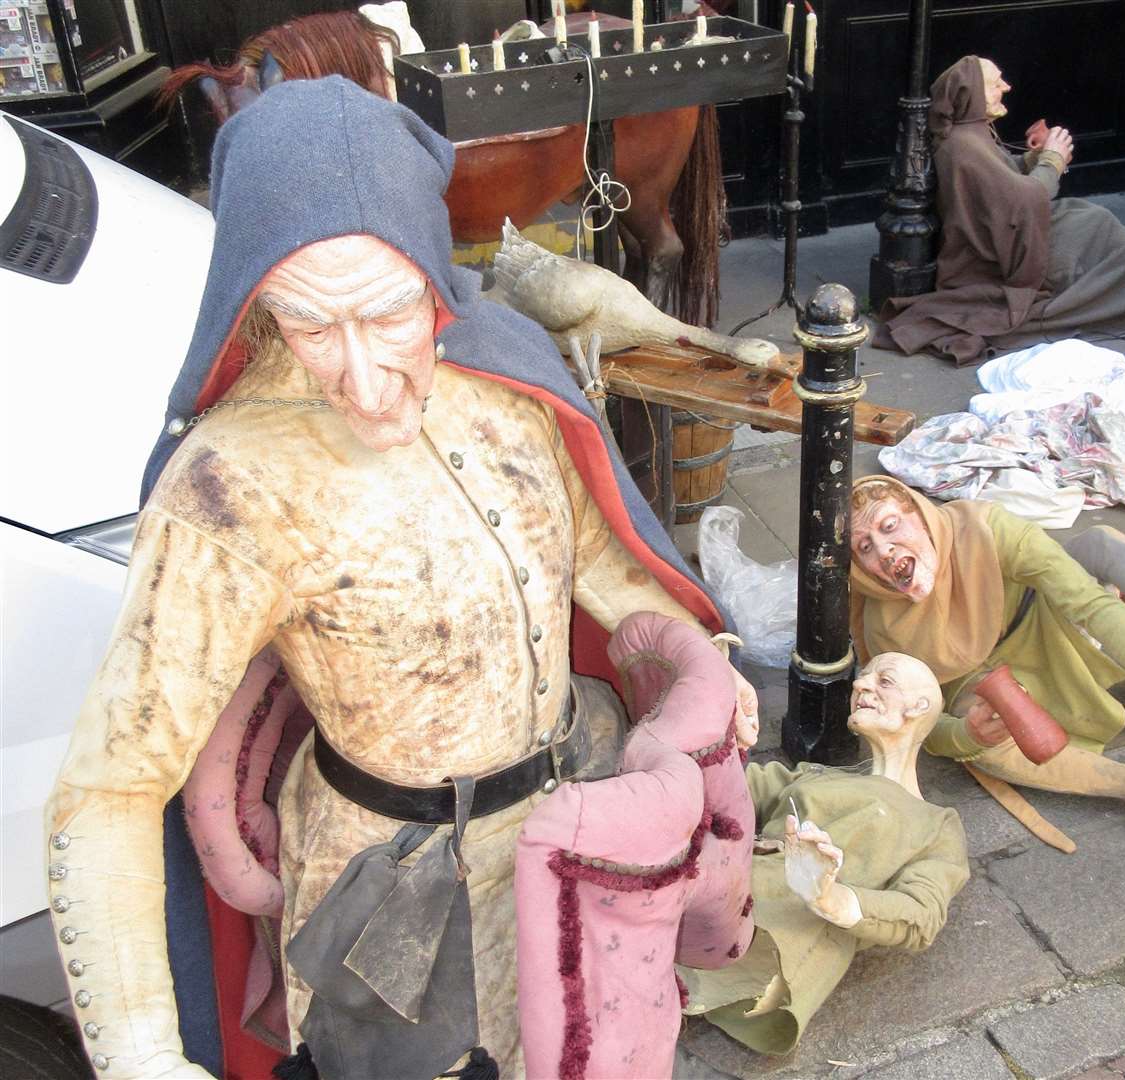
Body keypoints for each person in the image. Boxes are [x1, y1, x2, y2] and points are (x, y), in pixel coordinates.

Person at [44, 76, 757, 1079]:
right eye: (308, 326)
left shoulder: (509, 376)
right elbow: (109, 790)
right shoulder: (230, 487)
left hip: (577, 843)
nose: (363, 377)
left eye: (385, 316)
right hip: (391, 917)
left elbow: (600, 559)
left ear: (433, 271)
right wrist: (140, 1058)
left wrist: (695, 660)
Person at [847, 475, 1125, 879]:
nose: (884, 551)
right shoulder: (883, 628)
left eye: (891, 526)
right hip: (986, 682)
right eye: (865, 547)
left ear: (921, 515)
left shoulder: (984, 529)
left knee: (1100, 549)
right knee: (990, 745)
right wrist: (968, 736)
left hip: (1046, 623)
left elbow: (1088, 604)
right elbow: (914, 725)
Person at [874, 55, 1125, 365]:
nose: (1005, 88)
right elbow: (1025, 201)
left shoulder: (973, 135)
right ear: (974, 93)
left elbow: (1005, 187)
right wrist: (1053, 162)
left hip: (1012, 237)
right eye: (996, 84)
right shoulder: (966, 145)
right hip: (998, 257)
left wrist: (1034, 157)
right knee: (1102, 230)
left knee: (1093, 221)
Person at [682, 653, 970, 1054]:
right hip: (705, 890)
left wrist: (831, 899)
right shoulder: (814, 775)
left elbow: (921, 915)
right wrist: (720, 711)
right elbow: (726, 786)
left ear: (919, 706)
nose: (859, 687)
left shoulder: (936, 824)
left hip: (774, 939)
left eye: (883, 682)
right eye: (861, 680)